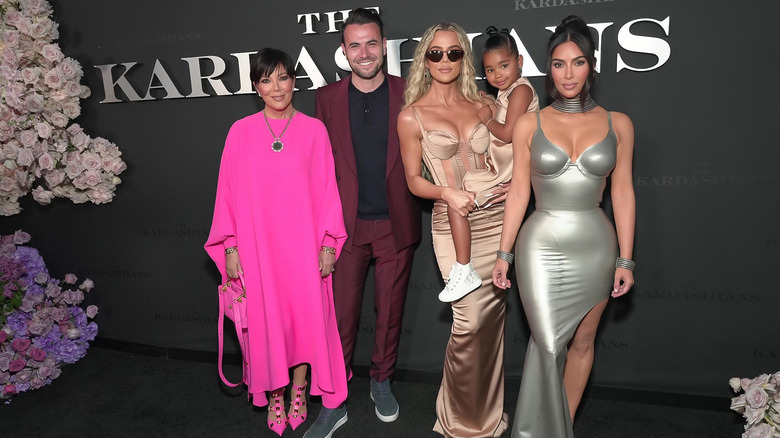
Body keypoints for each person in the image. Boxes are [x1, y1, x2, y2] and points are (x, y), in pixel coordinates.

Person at [492, 15, 636, 438]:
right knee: (548, 344)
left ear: (591, 65)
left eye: (577, 63)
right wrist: (505, 252)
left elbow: (624, 194)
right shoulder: (528, 124)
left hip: (596, 244)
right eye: (558, 63)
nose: (567, 73)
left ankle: (561, 427)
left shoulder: (619, 124)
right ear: (547, 67)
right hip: (540, 243)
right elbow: (519, 193)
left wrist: (626, 258)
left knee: (584, 342)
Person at [204, 48, 349, 438]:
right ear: (256, 86)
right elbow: (227, 194)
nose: (276, 87)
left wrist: (328, 244)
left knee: (303, 323)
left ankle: (300, 387)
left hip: (303, 247)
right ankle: (276, 393)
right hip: (258, 249)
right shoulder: (240, 131)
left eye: (282, 77)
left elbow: (327, 191)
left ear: (293, 81)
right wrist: (231, 247)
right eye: (266, 80)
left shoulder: (314, 130)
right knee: (268, 324)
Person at [398, 22, 510, 437]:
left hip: (496, 221)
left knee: (492, 322)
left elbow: (509, 151)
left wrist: (509, 187)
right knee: (469, 323)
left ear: (464, 57)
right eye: (435, 53)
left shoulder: (482, 101)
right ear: (424, 59)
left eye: (454, 52)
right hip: (452, 223)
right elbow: (413, 180)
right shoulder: (412, 116)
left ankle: (488, 416)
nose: (445, 61)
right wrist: (446, 192)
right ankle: (461, 423)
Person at [314, 8, 422, 424]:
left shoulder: (409, 91)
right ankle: (334, 397)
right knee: (340, 319)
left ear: (384, 46)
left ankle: (381, 380)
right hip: (345, 229)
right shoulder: (326, 98)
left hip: (396, 224)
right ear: (344, 51)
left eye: (371, 43)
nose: (364, 52)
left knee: (390, 314)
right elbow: (319, 168)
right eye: (355, 45)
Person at [438, 25, 541, 303]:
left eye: (504, 65)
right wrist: (489, 104)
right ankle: (464, 266)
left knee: (457, 200)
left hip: (510, 169)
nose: (497, 75)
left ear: (520, 62)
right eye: (490, 70)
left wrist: (486, 118)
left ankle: (463, 268)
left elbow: (507, 133)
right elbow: (500, 112)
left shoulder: (521, 91)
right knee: (460, 198)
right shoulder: (507, 93)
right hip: (500, 167)